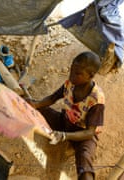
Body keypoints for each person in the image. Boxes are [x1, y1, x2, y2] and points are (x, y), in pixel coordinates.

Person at [27, 51, 105, 180]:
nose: (72, 76)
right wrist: (36, 104)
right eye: (71, 70)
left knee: (85, 159)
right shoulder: (70, 83)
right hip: (64, 122)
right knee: (38, 109)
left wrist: (65, 136)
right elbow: (53, 98)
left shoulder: (96, 99)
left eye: (77, 73)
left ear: (91, 75)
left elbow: (90, 132)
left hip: (83, 135)